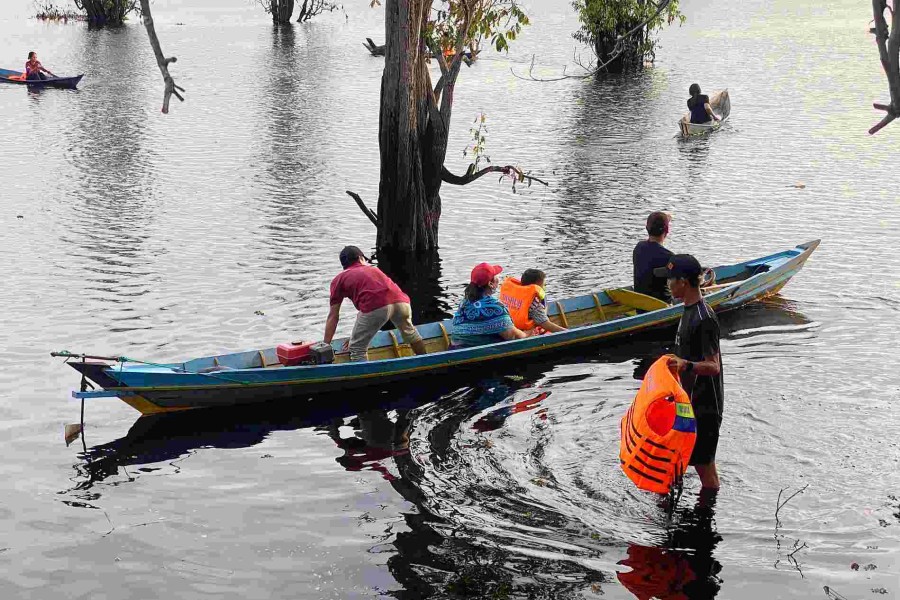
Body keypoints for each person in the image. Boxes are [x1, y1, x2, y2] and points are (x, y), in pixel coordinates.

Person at [655, 254, 725, 490]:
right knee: (678, 461)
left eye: (670, 280)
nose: (667, 284)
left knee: (706, 470)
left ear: (683, 282)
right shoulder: (687, 310)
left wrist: (686, 365)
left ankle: (705, 519)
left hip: (705, 405)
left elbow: (713, 366)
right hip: (686, 401)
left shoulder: (705, 318)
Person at [324, 246, 427, 362]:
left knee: (357, 348)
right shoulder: (374, 270)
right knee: (410, 332)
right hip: (402, 302)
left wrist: (325, 346)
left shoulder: (339, 280)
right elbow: (370, 305)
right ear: (360, 258)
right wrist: (355, 336)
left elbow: (333, 316)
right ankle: (425, 360)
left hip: (377, 307)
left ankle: (363, 378)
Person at [450, 263, 528, 348]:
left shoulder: (466, 301)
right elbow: (513, 336)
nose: (498, 278)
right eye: (496, 275)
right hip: (473, 352)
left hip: (454, 346)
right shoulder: (495, 307)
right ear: (490, 283)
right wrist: (529, 334)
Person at [498, 268, 566, 334]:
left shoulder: (515, 293)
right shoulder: (534, 303)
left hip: (509, 328)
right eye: (543, 284)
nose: (545, 285)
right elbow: (545, 323)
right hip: (524, 333)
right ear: (537, 286)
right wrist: (566, 332)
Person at [633, 211, 674, 303]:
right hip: (663, 304)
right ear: (667, 230)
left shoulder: (639, 248)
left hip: (640, 305)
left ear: (647, 228)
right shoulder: (669, 257)